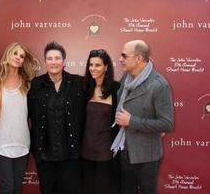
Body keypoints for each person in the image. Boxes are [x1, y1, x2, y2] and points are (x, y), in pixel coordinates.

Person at [111, 40, 174, 194]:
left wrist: (132, 121)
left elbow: (167, 124)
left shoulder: (159, 85)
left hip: (146, 157)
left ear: (138, 59)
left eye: (124, 56)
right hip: (124, 151)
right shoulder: (127, 77)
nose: (120, 59)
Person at [27, 41, 86, 194]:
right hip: (45, 155)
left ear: (64, 61)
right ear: (45, 62)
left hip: (71, 155)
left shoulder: (78, 83)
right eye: (50, 58)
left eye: (57, 58)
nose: (54, 62)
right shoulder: (35, 85)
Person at [0, 43, 37, 194]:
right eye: (15, 53)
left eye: (21, 56)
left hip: (22, 143)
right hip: (1, 143)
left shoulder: (27, 83)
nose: (18, 58)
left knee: (16, 188)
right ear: (8, 55)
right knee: (7, 187)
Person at [82, 49, 120, 194]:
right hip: (85, 151)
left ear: (106, 67)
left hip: (106, 151)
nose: (93, 68)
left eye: (97, 65)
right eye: (90, 65)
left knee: (103, 189)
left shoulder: (117, 89)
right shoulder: (84, 88)